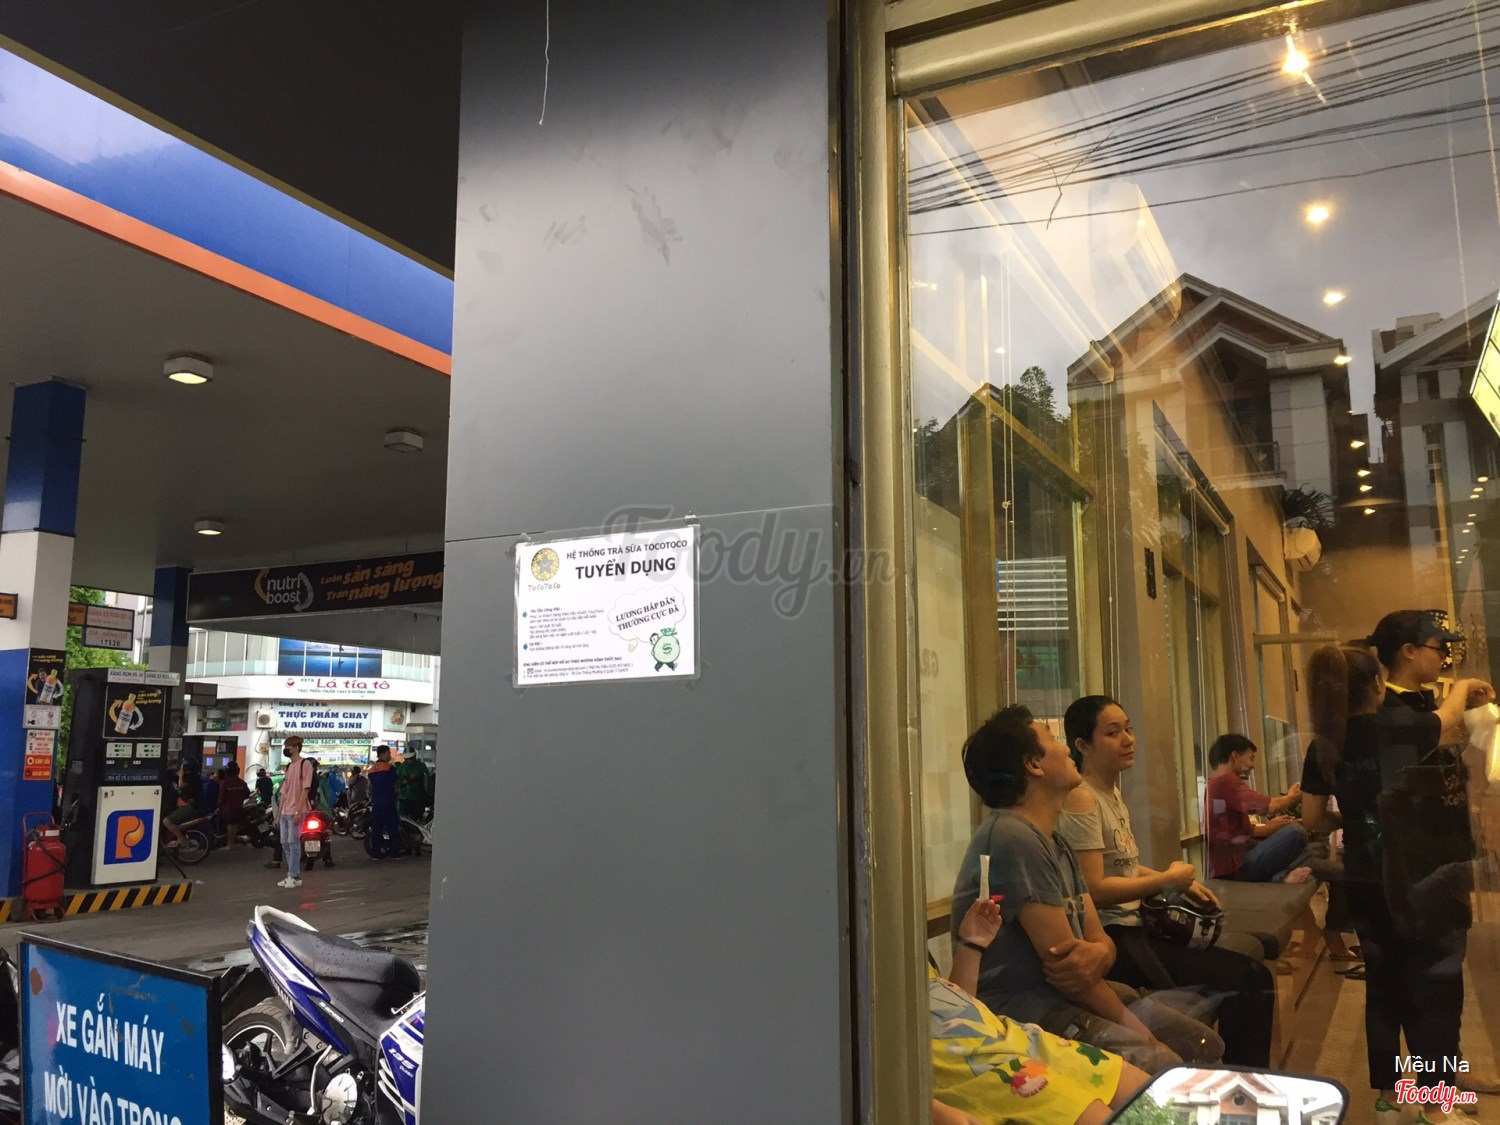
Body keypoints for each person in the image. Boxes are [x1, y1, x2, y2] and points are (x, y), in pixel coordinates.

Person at [950, 705, 1222, 1073]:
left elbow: (1097, 943)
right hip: (1025, 1015)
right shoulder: (1013, 838)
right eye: (1053, 740)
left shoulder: (1055, 842)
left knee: (1205, 1045)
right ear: (1033, 764)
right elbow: (1071, 974)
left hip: (1063, 1000)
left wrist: (1102, 952)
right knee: (1165, 1064)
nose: (1066, 748)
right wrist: (1144, 1037)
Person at [1306, 619, 1495, 1123]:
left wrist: (1362, 817)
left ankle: (1397, 1092)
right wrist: (1463, 687)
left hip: (1365, 875)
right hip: (1414, 877)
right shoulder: (1389, 727)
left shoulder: (1325, 739)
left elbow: (1312, 818)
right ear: (1377, 682)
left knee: (1386, 986)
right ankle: (1436, 1101)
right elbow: (1446, 718)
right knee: (1436, 987)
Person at [1057, 696, 1275, 1066]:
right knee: (1248, 979)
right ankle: (1242, 1085)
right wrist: (1166, 881)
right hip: (1115, 938)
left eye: (1128, 729)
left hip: (1138, 926)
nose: (1128, 739)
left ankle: (1242, 1079)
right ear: (1082, 745)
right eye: (1113, 732)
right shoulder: (1081, 798)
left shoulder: (1111, 793)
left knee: (1251, 970)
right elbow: (1093, 889)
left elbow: (1125, 868)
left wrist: (1176, 882)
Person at [931, 895, 1150, 1124]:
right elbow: (1073, 973)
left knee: (1146, 1094)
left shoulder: (910, 951)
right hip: (967, 1064)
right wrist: (932, 1109)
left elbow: (958, 1006)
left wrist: (971, 945)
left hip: (1015, 1036)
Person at [1203, 734, 1309, 882]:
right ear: (1235, 756)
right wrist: (1292, 796)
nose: (1253, 765)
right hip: (1235, 868)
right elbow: (1268, 807)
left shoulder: (1213, 784)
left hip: (1227, 865)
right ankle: (1280, 877)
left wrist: (1270, 828)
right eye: (1251, 758)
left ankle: (1280, 876)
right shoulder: (1225, 780)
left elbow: (1231, 833)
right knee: (1296, 833)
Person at [276, 736, 314, 888]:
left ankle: (291, 875)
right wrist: (278, 814)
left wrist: (298, 811)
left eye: (288, 747)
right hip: (285, 811)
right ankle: (295, 875)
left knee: (293, 843)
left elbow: (306, 788)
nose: (286, 750)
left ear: (296, 748)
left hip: (297, 810)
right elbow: (284, 792)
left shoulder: (305, 764)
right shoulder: (289, 767)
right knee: (285, 843)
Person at [368, 745, 401, 858]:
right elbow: (397, 782)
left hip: (376, 802)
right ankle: (394, 853)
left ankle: (375, 853)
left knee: (376, 828)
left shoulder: (371, 770)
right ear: (382, 754)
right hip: (388, 801)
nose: (389, 756)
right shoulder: (388, 767)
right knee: (392, 827)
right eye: (388, 753)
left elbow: (371, 787)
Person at [163, 761, 202, 846]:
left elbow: (181, 785)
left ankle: (181, 839)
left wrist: (181, 775)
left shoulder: (193, 778)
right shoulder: (184, 777)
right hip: (183, 805)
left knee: (167, 821)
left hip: (192, 806)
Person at [216, 762, 250, 850]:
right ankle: (231, 843)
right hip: (238, 807)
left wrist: (219, 806)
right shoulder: (242, 783)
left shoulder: (225, 783)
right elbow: (247, 793)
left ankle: (229, 845)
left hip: (227, 808)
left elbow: (221, 797)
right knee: (234, 825)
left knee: (230, 825)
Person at [397, 753, 430, 820]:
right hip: (405, 798)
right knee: (405, 819)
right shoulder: (401, 768)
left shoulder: (420, 766)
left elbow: (427, 780)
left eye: (411, 758)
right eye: (407, 759)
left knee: (416, 817)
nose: (409, 761)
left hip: (418, 798)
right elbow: (398, 782)